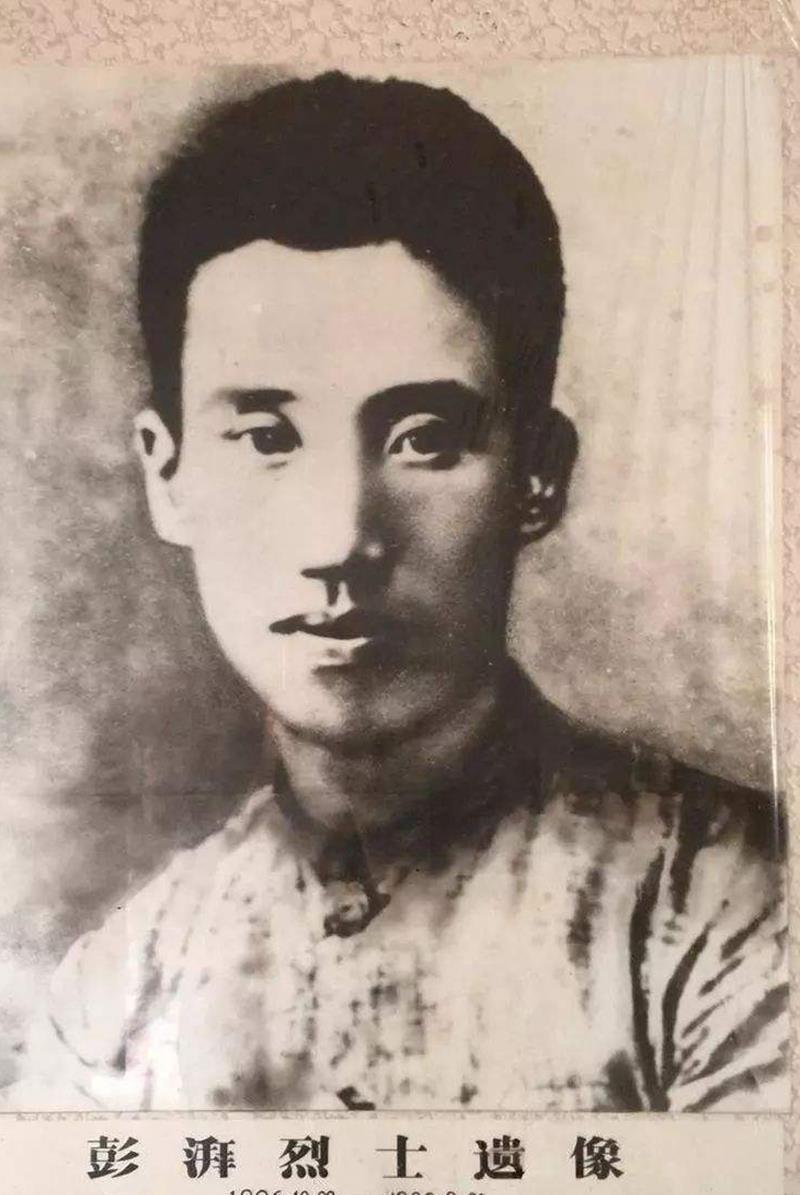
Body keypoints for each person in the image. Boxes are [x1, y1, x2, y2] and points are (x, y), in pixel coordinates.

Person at [11, 71, 787, 1112]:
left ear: (538, 474)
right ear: (169, 475)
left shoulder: (730, 908)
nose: (342, 540)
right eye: (266, 437)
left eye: (423, 438)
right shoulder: (112, 998)